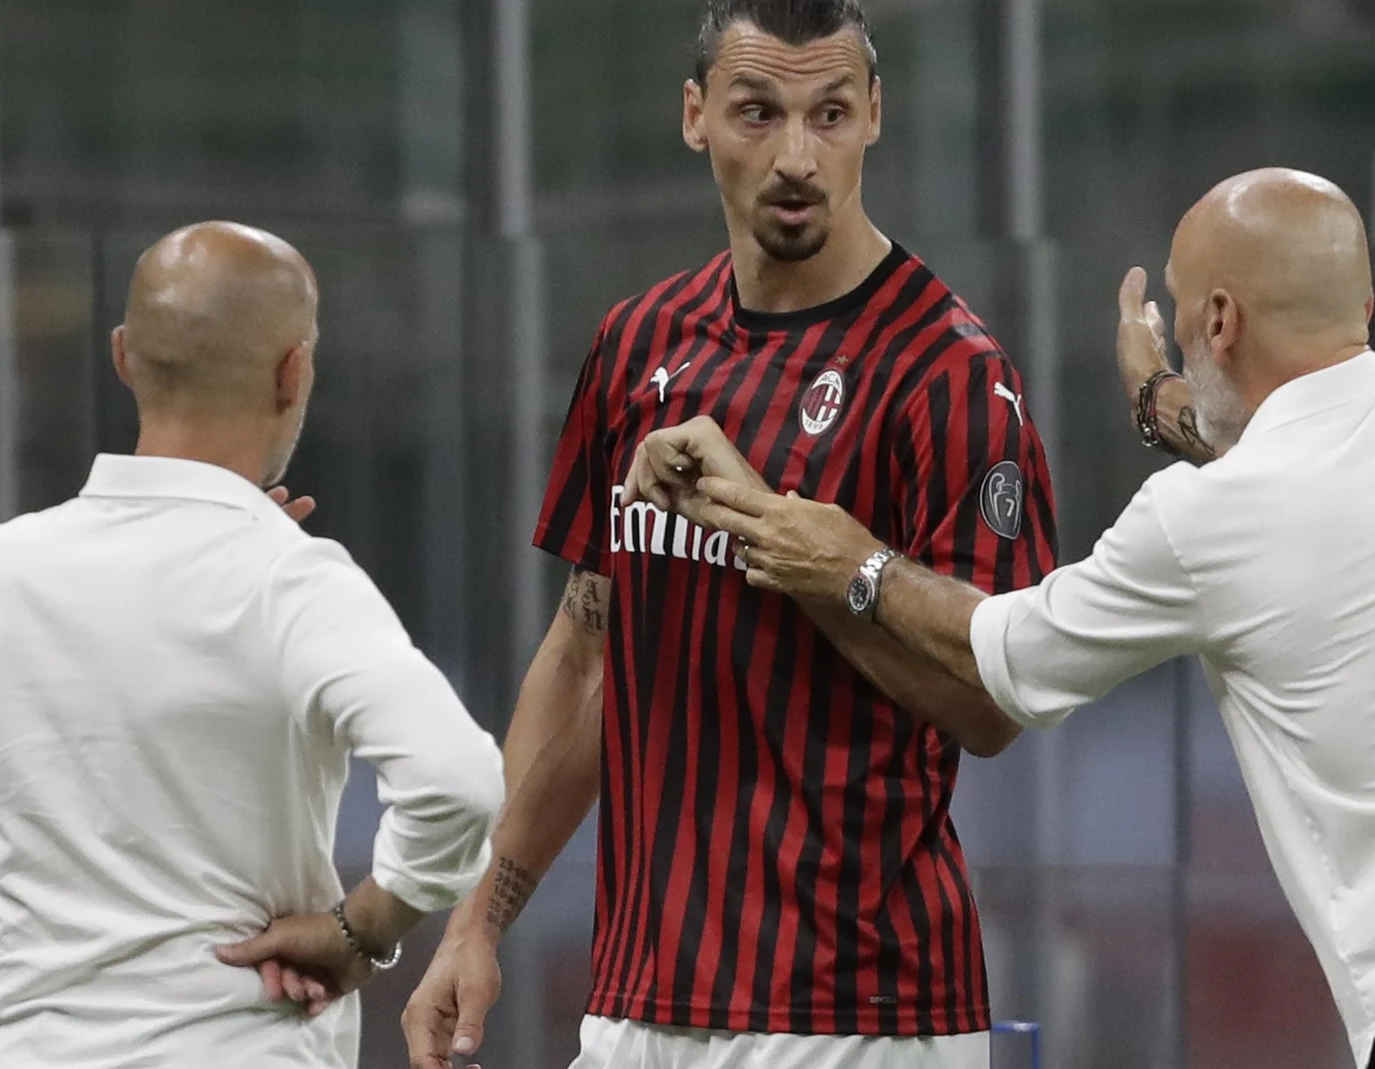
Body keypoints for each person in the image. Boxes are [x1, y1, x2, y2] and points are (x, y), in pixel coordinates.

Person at [667, 168, 1375, 1069]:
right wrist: (1168, 400)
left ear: (1217, 321)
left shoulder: (1199, 522)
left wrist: (848, 558)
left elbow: (1001, 656)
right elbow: (1316, 471)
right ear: (1361, 304)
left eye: (1187, 315)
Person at [400, 3, 1059, 1067]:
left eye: (830, 114)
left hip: (861, 1012)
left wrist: (789, 542)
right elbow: (583, 655)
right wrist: (477, 917)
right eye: (759, 113)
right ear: (696, 115)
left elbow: (995, 705)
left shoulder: (952, 373)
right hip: (634, 1008)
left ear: (875, 117)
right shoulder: (635, 342)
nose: (797, 156)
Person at [0, 221, 506, 1069]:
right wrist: (367, 929)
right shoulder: (288, 581)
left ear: (124, 356)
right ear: (296, 371)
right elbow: (459, 783)